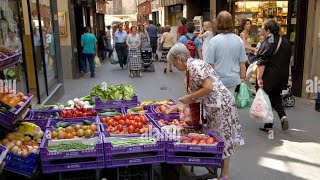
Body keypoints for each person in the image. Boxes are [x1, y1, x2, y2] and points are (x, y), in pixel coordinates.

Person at [167, 43, 245, 180]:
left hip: (221, 105)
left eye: (174, 63)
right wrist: (177, 106)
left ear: (179, 58)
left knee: (223, 138)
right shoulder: (190, 69)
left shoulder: (195, 66)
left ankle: (225, 175)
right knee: (215, 138)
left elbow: (208, 87)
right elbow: (193, 94)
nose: (174, 67)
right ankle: (215, 172)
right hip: (214, 106)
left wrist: (189, 97)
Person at [257, 19, 292, 132]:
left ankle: (268, 125)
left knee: (266, 97)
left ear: (268, 30)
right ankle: (282, 117)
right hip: (282, 76)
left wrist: (259, 78)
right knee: (275, 96)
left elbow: (262, 62)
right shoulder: (286, 42)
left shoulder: (268, 42)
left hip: (270, 76)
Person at [205, 11, 247, 96]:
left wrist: (207, 80)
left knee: (218, 105)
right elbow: (242, 63)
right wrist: (242, 78)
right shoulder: (238, 40)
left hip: (218, 80)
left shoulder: (214, 41)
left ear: (218, 23)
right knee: (230, 103)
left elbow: (210, 65)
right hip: (234, 80)